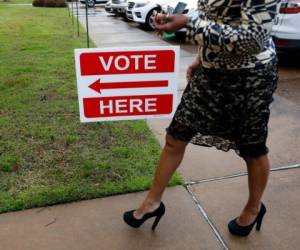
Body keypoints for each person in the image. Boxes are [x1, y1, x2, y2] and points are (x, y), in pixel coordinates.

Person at [123, 0, 281, 236]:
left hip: (251, 77)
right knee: (176, 136)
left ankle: (254, 207)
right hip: (210, 72)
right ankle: (152, 202)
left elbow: (253, 39)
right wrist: (200, 56)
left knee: (252, 148)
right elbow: (214, 16)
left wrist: (189, 23)